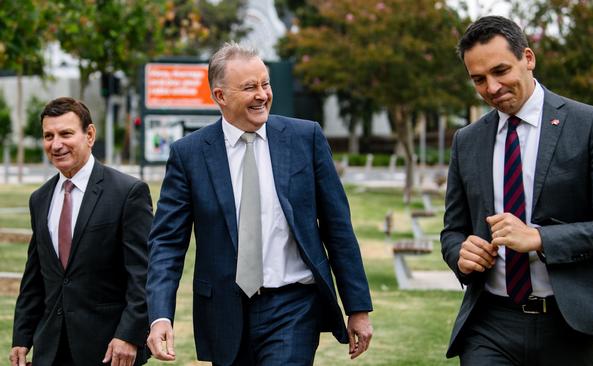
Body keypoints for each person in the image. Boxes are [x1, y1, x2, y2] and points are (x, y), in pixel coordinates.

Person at [146, 42, 373, 366]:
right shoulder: (190, 154)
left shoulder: (304, 138)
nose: (262, 95)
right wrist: (160, 316)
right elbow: (167, 242)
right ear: (220, 96)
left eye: (265, 84)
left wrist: (358, 307)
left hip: (293, 306)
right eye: (250, 87)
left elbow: (337, 227)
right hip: (224, 309)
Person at [440, 16, 593, 365]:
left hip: (568, 325)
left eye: (501, 71)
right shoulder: (466, 141)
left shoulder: (590, 124)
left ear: (528, 58)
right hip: (489, 323)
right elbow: (453, 230)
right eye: (478, 79)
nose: (492, 87)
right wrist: (460, 252)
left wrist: (541, 239)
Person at [9, 97, 153, 366]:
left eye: (66, 134)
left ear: (89, 134)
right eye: (48, 136)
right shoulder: (39, 199)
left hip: (110, 350)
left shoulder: (128, 193)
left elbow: (143, 274)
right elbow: (35, 277)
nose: (56, 144)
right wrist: (21, 337)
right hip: (51, 349)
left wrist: (130, 335)